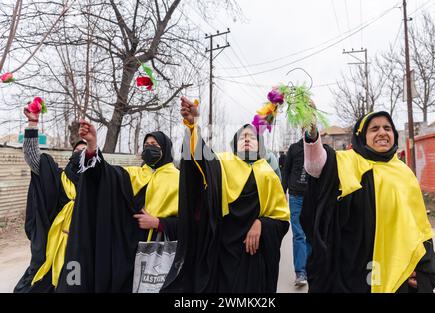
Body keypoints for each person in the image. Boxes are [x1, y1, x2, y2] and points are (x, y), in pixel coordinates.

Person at [301, 109, 435, 293]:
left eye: (387, 128)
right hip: (353, 270)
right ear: (362, 136)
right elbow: (316, 166)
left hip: (396, 268)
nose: (382, 133)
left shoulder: (404, 172)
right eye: (374, 129)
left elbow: (418, 226)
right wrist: (312, 135)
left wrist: (422, 268)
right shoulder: (346, 162)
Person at [161, 97, 290, 293]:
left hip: (252, 255)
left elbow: (281, 221)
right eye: (242, 136)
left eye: (252, 137)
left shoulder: (268, 175)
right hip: (220, 250)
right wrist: (193, 125)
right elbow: (199, 157)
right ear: (235, 144)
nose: (247, 138)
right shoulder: (222, 163)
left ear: (260, 146)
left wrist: (262, 224)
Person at [56, 120, 179, 292]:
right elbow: (103, 174)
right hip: (127, 252)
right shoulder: (133, 174)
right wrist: (92, 145)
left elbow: (192, 224)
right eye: (146, 145)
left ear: (165, 148)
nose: (149, 148)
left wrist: (159, 223)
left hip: (162, 253)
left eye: (154, 144)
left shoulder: (179, 180)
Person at [14, 107, 86, 293]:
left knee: (77, 283)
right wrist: (33, 124)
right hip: (56, 240)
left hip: (85, 244)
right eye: (77, 150)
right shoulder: (58, 177)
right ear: (71, 155)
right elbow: (33, 157)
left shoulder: (102, 183)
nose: (80, 153)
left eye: (85, 151)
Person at [282, 138, 310, 287]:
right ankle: (300, 272)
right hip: (296, 197)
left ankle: (311, 268)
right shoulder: (294, 148)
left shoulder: (321, 148)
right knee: (299, 234)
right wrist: (282, 193)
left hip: (313, 198)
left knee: (312, 234)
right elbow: (286, 171)